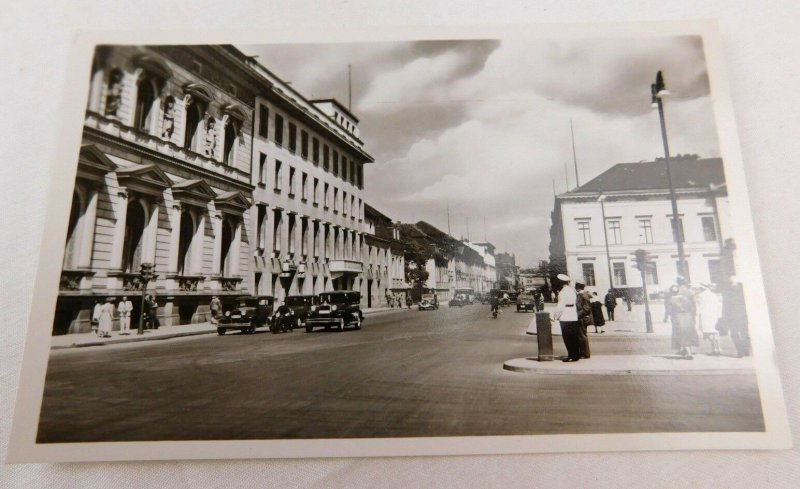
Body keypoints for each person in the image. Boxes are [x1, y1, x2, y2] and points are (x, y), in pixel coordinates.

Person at [553, 274, 581, 362]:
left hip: (565, 316)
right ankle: (576, 355)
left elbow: (560, 306)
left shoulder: (562, 292)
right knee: (574, 337)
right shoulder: (572, 291)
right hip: (573, 315)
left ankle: (571, 355)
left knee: (567, 337)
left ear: (560, 282)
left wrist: (555, 316)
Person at [669, 278, 699, 359]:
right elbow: (693, 305)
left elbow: (670, 310)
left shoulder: (673, 297)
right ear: (685, 282)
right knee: (690, 332)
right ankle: (690, 350)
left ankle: (684, 350)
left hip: (678, 317)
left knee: (679, 333)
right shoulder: (689, 291)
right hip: (688, 315)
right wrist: (694, 315)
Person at [722, 276, 750, 358]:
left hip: (731, 316)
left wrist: (724, 317)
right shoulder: (743, 291)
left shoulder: (727, 292)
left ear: (730, 282)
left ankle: (740, 351)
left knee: (734, 333)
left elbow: (725, 306)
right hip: (743, 315)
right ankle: (746, 350)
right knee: (744, 332)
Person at [696, 284, 722, 355]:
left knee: (709, 333)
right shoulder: (714, 295)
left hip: (706, 316)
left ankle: (714, 349)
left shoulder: (700, 295)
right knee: (715, 332)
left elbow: (698, 306)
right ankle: (719, 348)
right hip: (714, 315)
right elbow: (718, 305)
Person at [575, 281, 593, 358]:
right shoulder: (581, 294)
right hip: (581, 317)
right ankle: (583, 353)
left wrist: (577, 315)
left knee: (582, 335)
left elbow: (586, 308)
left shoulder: (583, 295)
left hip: (582, 318)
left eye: (576, 286)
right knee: (581, 335)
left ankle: (585, 354)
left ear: (578, 287)